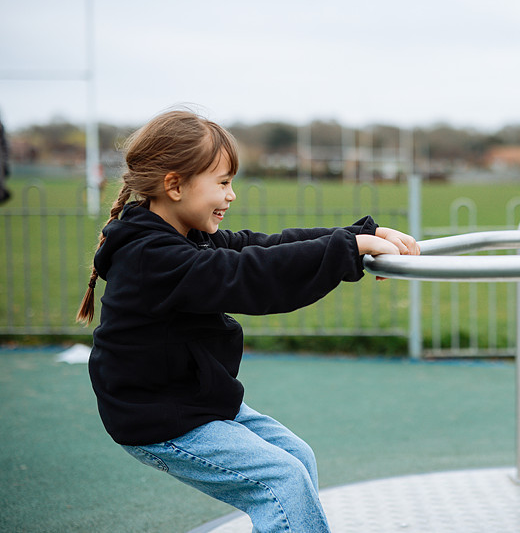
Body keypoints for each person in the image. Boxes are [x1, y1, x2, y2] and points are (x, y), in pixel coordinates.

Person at [76, 109, 419, 533]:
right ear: (175, 185)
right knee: (282, 480)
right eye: (222, 183)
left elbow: (263, 246)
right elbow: (249, 274)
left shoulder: (186, 238)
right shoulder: (152, 256)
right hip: (159, 416)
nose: (231, 195)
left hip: (196, 401)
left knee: (298, 458)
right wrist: (347, 249)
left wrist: (360, 235)